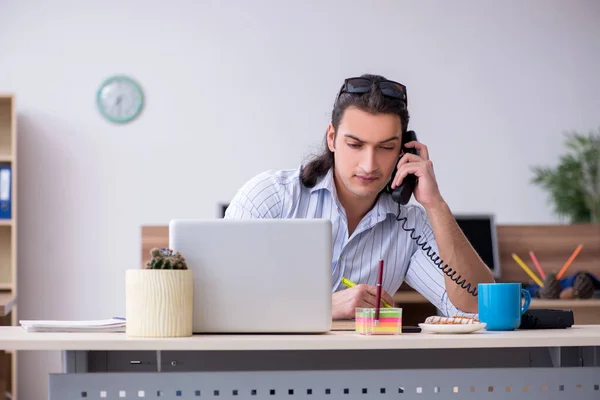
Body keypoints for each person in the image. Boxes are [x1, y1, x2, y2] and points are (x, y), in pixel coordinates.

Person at [224, 73, 495, 320]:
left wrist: (435, 204)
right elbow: (220, 299)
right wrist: (327, 307)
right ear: (332, 138)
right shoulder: (270, 196)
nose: (369, 164)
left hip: (360, 371)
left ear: (404, 150)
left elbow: (478, 307)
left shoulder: (410, 225)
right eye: (355, 145)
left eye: (386, 147)